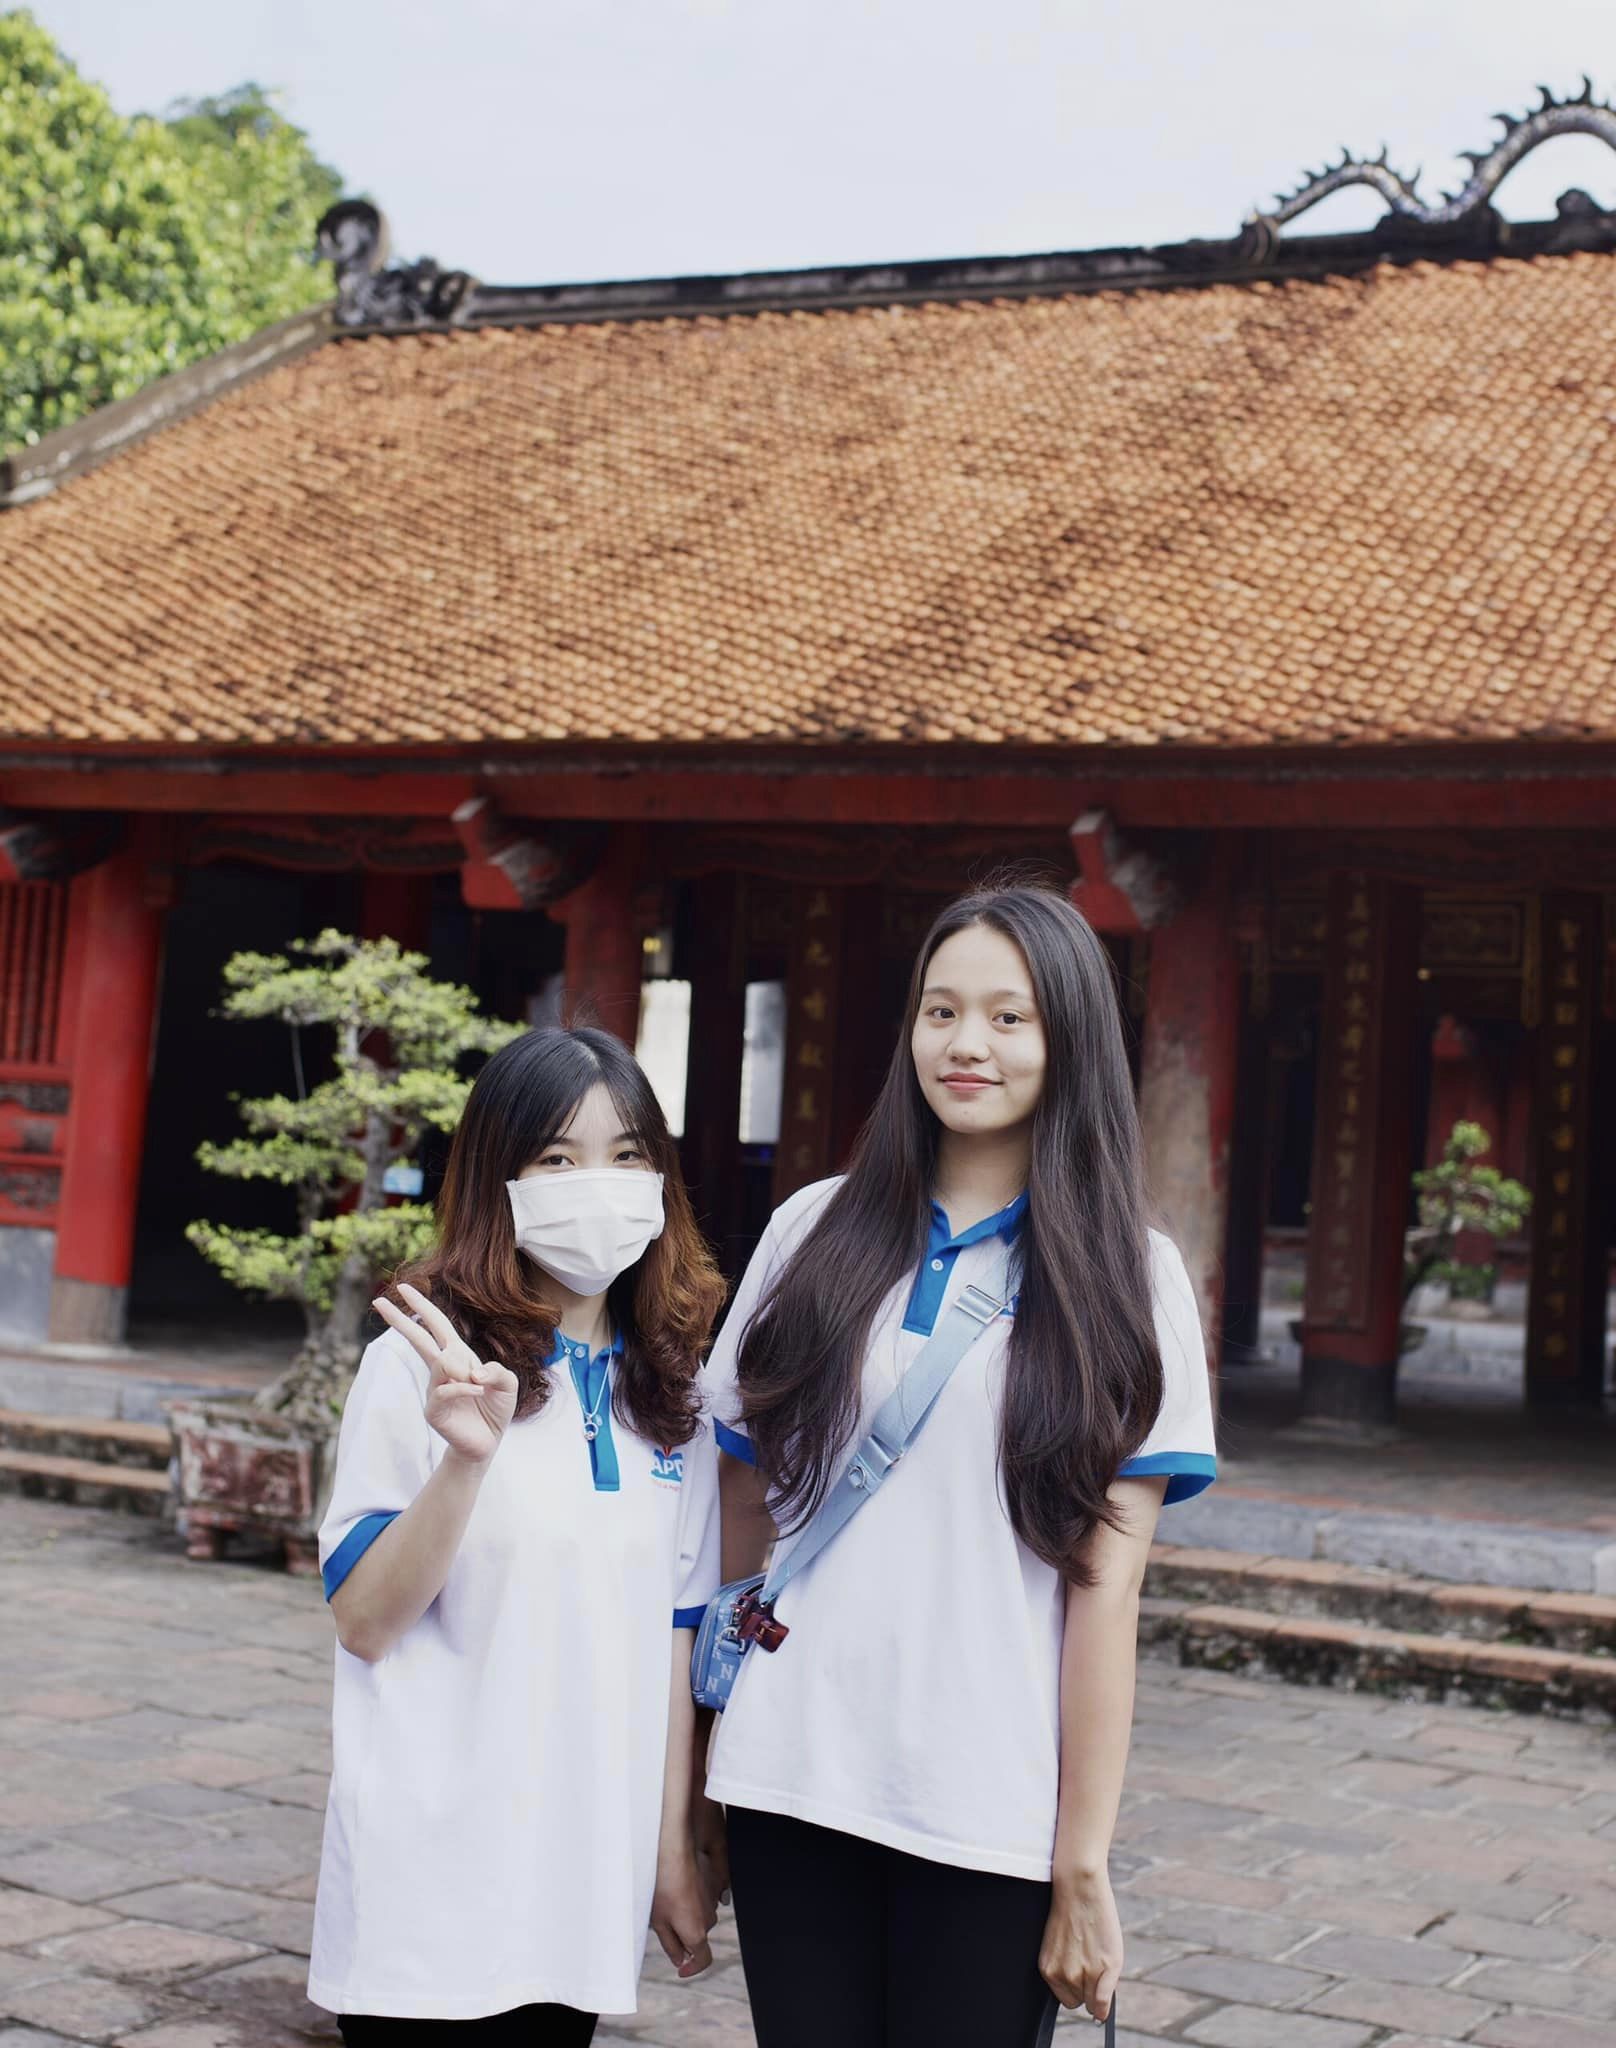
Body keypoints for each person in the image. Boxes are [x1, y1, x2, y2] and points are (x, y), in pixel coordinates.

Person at [701, 883, 1217, 2048]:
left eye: (1006, 1015)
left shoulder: (1130, 1278)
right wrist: (696, 1769)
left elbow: (1105, 1593)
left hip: (984, 1808)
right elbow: (739, 1496)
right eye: (940, 1010)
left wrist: (1080, 1859)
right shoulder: (811, 1230)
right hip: (789, 1776)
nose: (965, 1043)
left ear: (1068, 1038)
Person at [308, 1026, 728, 2043]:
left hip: (581, 1880)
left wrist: (670, 1850)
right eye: (557, 1158)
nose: (599, 1184)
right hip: (429, 1874)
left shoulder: (675, 1389)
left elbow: (674, 1637)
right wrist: (464, 1461)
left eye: (626, 1154)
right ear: (499, 1178)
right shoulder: (419, 1363)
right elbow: (364, 1621)